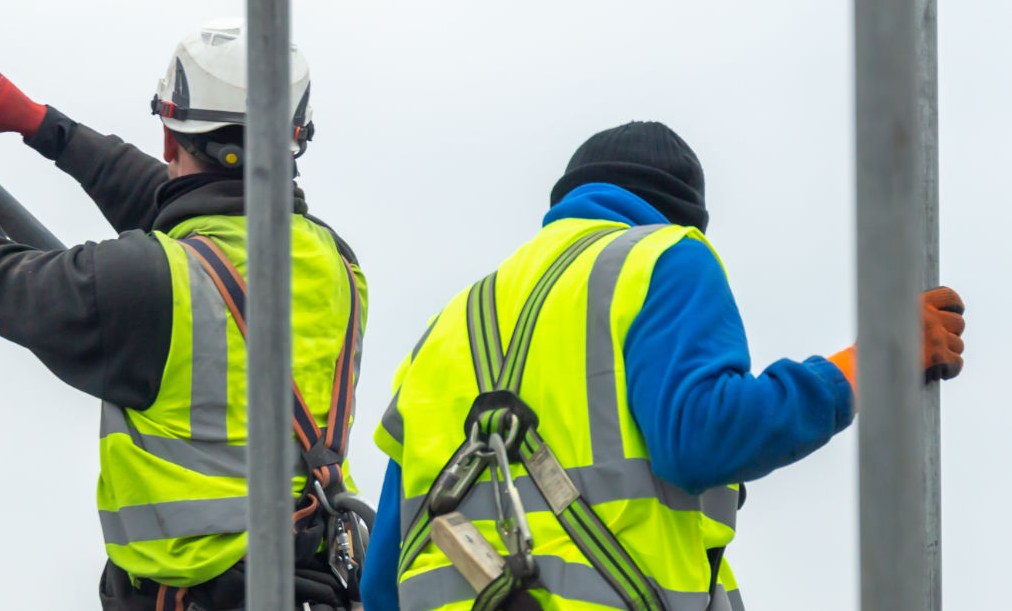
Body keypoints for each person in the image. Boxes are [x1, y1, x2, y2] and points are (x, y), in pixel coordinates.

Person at [0, 18, 369, 611]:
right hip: (311, 581)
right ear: (295, 140)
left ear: (168, 138)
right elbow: (185, 206)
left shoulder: (154, 283)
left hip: (202, 592)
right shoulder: (334, 260)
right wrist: (40, 124)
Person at [361, 121, 966, 611]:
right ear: (685, 218)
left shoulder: (447, 327)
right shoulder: (665, 257)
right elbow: (702, 437)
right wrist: (876, 360)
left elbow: (384, 579)